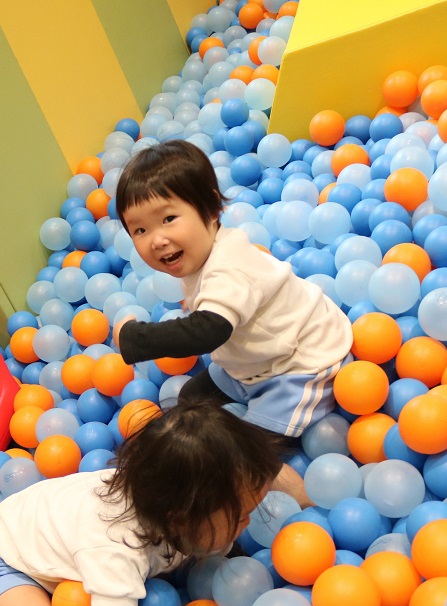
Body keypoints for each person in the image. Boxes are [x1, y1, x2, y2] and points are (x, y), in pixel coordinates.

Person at [0, 400, 281, 606]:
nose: (247, 524)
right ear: (181, 520)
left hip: (60, 532)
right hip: (8, 553)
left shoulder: (178, 510)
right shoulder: (117, 549)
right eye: (241, 516)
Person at [112, 140, 353, 507]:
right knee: (191, 398)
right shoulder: (201, 256)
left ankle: (304, 499)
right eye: (139, 230)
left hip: (300, 365)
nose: (157, 240)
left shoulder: (229, 265)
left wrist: (136, 339)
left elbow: (208, 330)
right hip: (251, 362)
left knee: (243, 453)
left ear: (211, 209)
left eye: (168, 219)